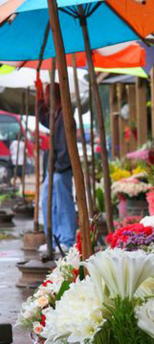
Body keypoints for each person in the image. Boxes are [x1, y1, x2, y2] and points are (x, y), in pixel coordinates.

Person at [36, 79, 77, 253]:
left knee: (63, 204)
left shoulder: (65, 116)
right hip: (54, 168)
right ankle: (54, 239)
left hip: (61, 168)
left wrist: (59, 166)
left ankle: (66, 239)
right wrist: (38, 98)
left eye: (46, 95)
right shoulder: (56, 115)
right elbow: (43, 118)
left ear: (52, 97)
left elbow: (65, 147)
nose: (45, 99)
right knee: (48, 202)